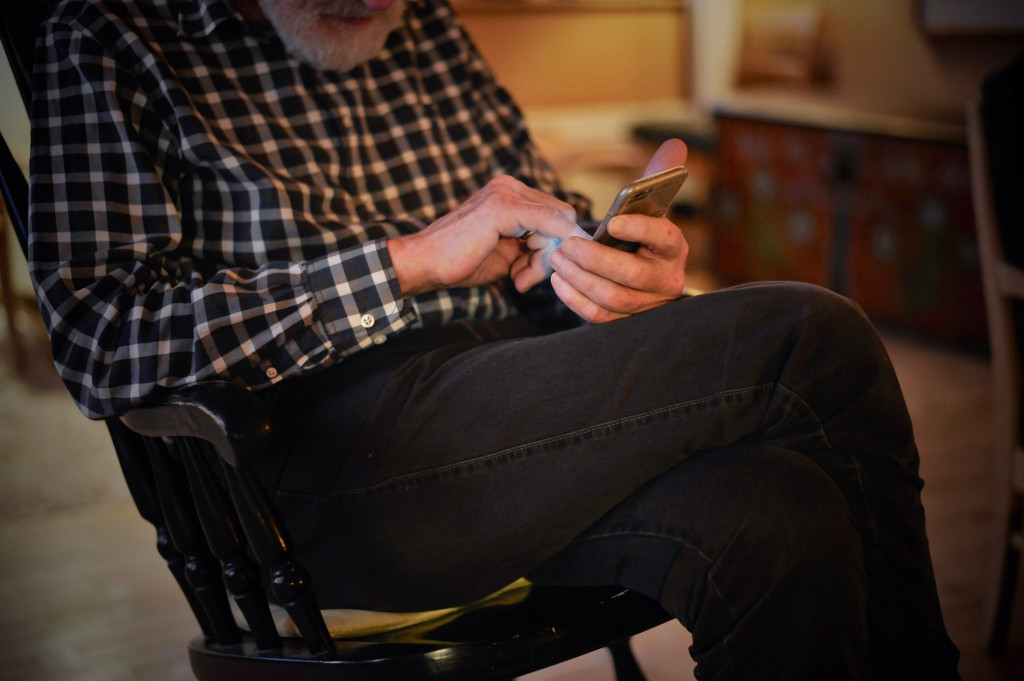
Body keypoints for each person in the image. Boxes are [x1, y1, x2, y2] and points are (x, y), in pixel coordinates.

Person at [27, 0, 961, 678]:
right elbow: (99, 340)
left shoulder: (421, 25)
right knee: (811, 336)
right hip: (307, 459)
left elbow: (534, 222)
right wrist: (408, 263)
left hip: (502, 409)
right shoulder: (111, 33)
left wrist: (603, 271)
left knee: (782, 517)